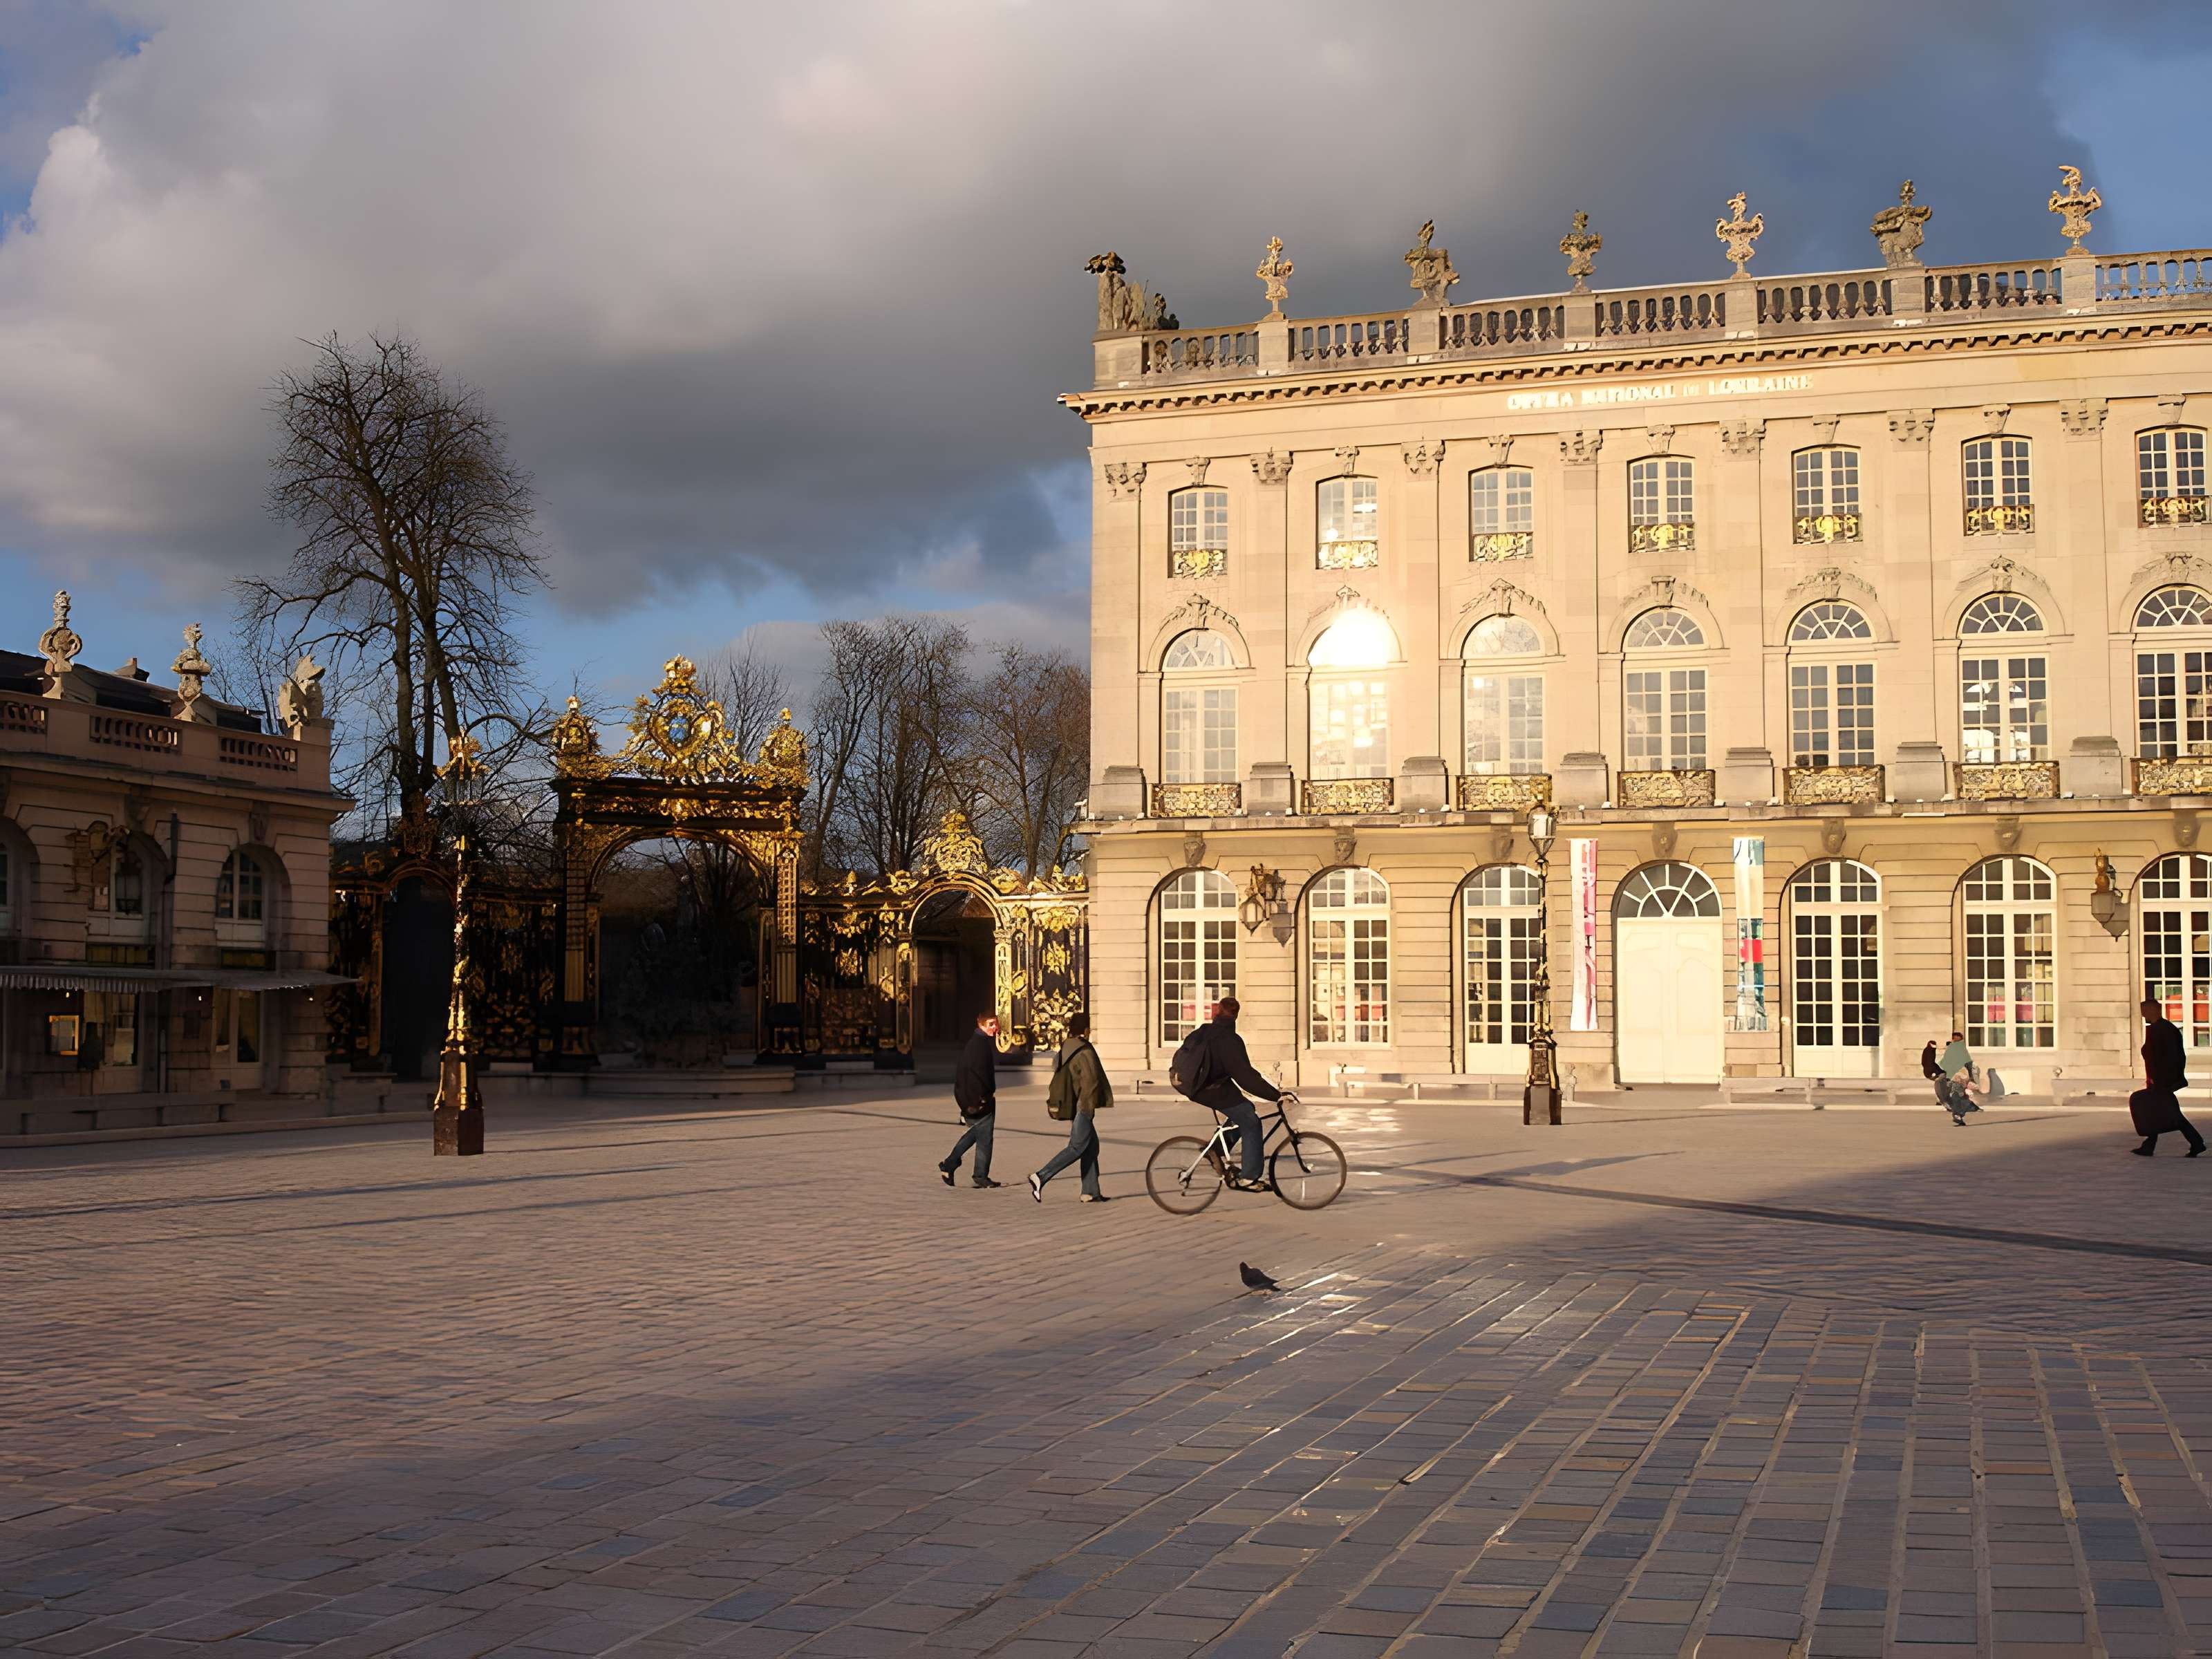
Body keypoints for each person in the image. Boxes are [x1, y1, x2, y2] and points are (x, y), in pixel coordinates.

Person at [1181, 996, 1284, 1192]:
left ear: (1216, 1012)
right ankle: (1249, 1178)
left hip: (1194, 1081)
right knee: (1251, 1122)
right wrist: (1275, 1095)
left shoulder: (1204, 1031)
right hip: (1206, 1086)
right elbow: (1245, 1077)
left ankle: (1216, 1151)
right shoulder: (1230, 1040)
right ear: (1236, 1016)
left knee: (1245, 1109)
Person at [1029, 1013, 1112, 1203]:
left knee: (1091, 1147)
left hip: (1073, 1105)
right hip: (1083, 1107)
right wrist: (1088, 1110)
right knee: (1076, 1147)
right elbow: (1090, 1083)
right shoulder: (1085, 1051)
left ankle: (1090, 1192)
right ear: (1086, 1029)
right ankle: (1040, 1177)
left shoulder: (1066, 1047)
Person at [2131, 995, 2206, 1157]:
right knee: (2155, 1110)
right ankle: (2150, 1145)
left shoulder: (2164, 1030)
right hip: (2159, 1080)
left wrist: (2165, 1080)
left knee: (2171, 1114)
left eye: (2145, 1012)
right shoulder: (2159, 1029)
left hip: (2163, 1081)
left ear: (2153, 1011)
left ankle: (2196, 1143)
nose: (2143, 1015)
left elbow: (2173, 1057)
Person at [939, 1012, 1002, 1188]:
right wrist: (982, 1097)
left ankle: (951, 1166)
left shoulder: (978, 1043)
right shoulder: (979, 1046)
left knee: (978, 1134)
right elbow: (978, 1076)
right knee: (984, 1137)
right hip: (980, 1100)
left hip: (974, 1100)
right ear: (981, 1025)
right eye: (991, 1024)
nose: (994, 1028)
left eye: (996, 1024)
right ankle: (978, 1175)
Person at [1938, 1031, 1980, 1126]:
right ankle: (1968, 1108)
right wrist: (1972, 1077)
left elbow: (1944, 1063)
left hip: (1956, 1076)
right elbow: (1969, 1063)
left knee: (1956, 1095)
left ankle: (1959, 1114)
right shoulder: (1962, 1048)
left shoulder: (1952, 1048)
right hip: (1964, 1075)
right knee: (1960, 1095)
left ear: (1953, 1039)